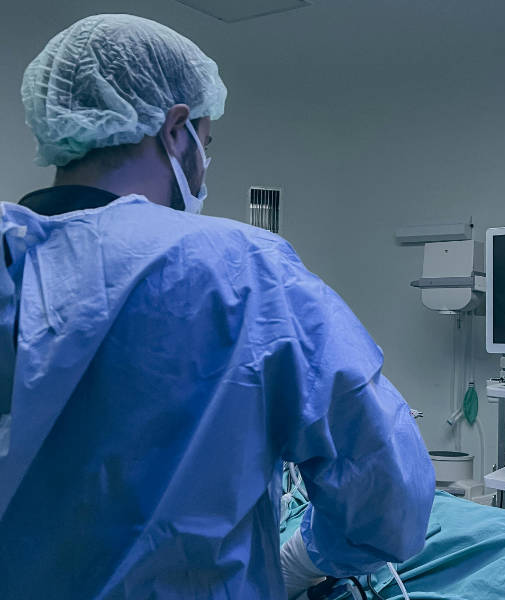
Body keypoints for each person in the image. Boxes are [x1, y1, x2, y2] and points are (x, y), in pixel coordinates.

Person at [0, 14, 435, 599]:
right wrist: (303, 559)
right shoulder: (242, 268)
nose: (203, 167)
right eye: (205, 145)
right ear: (175, 131)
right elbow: (388, 497)